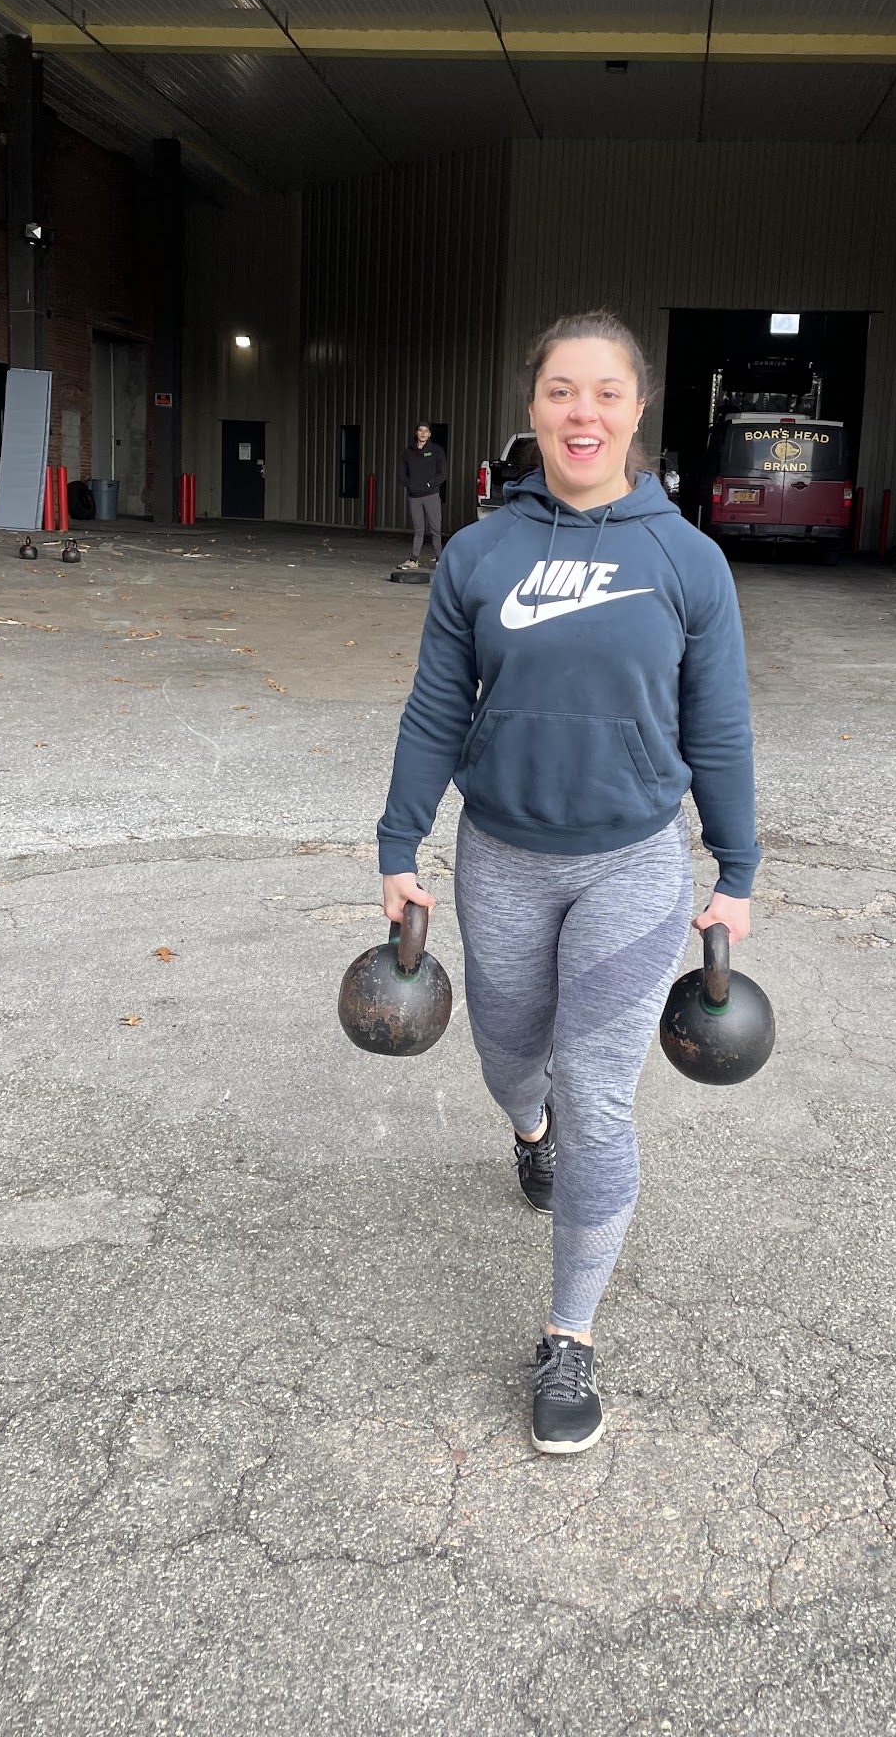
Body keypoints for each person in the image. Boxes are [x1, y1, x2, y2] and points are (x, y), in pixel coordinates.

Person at [376, 312, 758, 1455]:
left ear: (638, 410)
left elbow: (720, 727)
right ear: (532, 408)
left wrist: (736, 868)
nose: (581, 412)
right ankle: (526, 1128)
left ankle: (570, 1332)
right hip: (501, 853)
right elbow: (435, 708)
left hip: (634, 861)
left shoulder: (688, 561)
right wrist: (400, 843)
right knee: (509, 1060)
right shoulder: (479, 553)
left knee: (600, 1089)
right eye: (560, 390)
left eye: (604, 392)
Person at [397, 423, 447, 569]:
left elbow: (443, 473)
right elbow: (401, 473)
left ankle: (440, 559)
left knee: (435, 529)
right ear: (416, 433)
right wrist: (410, 486)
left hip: (431, 495)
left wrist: (430, 484)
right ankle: (414, 560)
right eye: (420, 430)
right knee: (418, 529)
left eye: (426, 431)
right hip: (414, 496)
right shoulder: (408, 452)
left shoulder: (437, 451)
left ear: (429, 434)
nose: (423, 433)